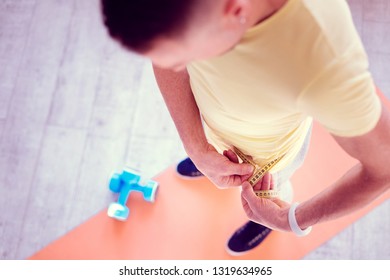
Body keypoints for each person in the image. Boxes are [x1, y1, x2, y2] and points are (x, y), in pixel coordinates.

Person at [100, 0, 390, 255]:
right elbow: (165, 57)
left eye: (186, 58)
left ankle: (262, 223)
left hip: (269, 158)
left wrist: (291, 219)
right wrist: (197, 146)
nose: (175, 67)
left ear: (236, 12)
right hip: (211, 127)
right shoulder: (182, 17)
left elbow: (384, 168)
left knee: (270, 194)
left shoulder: (325, 66)